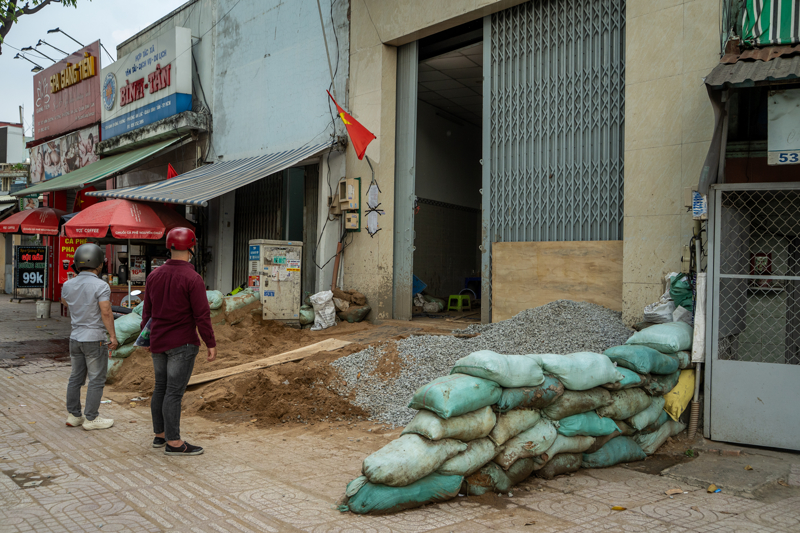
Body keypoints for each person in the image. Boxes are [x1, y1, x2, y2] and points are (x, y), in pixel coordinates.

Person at [141, 227, 216, 456]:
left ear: (169, 246)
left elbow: (147, 313)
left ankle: (160, 435)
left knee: (161, 388)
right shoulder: (193, 278)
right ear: (191, 248)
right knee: (174, 392)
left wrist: (146, 340)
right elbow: (201, 315)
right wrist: (210, 343)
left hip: (158, 341)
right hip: (182, 343)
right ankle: (174, 443)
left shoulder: (154, 276)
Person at [60, 243, 119, 430]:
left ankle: (74, 415)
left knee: (75, 378)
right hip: (95, 338)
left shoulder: (68, 284)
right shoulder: (101, 285)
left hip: (75, 338)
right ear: (99, 264)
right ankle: (91, 418)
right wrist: (113, 336)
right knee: (96, 379)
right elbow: (106, 311)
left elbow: (65, 302)